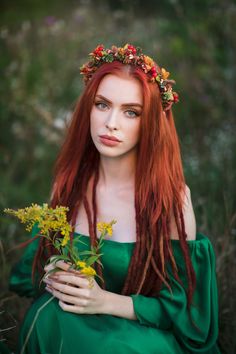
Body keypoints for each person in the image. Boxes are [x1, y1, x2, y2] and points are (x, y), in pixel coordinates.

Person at [9, 43, 221, 354]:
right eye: (102, 105)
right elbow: (33, 273)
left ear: (150, 122)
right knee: (49, 318)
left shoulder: (171, 200)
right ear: (88, 109)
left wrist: (105, 301)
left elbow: (187, 313)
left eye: (131, 112)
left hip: (138, 337)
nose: (111, 123)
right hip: (67, 324)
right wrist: (54, 275)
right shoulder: (68, 185)